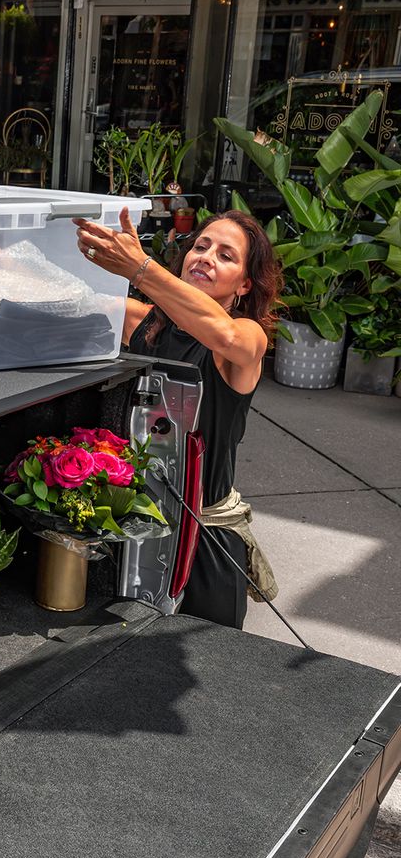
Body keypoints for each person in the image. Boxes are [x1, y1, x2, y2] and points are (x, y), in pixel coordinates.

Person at [73, 208, 284, 628]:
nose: (206, 257)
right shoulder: (143, 321)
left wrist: (140, 268)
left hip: (205, 545)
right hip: (132, 535)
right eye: (201, 246)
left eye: (226, 255)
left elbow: (224, 335)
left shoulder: (247, 336)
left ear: (244, 284)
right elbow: (68, 300)